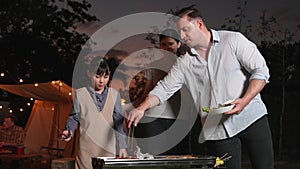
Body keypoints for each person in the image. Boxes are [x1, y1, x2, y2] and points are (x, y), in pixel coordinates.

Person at [127, 4, 274, 169]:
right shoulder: (184, 62)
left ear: (199, 24)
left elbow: (261, 71)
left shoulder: (233, 40)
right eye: (179, 32)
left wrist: (245, 100)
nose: (181, 36)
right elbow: (164, 88)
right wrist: (142, 107)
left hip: (252, 118)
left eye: (185, 30)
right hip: (216, 130)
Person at [61, 56, 127, 169]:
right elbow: (74, 118)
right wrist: (69, 130)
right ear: (89, 73)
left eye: (106, 77)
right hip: (85, 152)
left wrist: (122, 146)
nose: (102, 81)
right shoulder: (80, 94)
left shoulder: (114, 95)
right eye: (97, 76)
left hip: (107, 151)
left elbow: (118, 123)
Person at [132, 29, 190, 155]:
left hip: (179, 117)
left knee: (177, 158)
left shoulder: (186, 64)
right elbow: (147, 92)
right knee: (155, 156)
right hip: (154, 117)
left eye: (170, 44)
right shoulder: (153, 66)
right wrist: (136, 108)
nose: (166, 47)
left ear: (178, 44)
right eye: (163, 44)